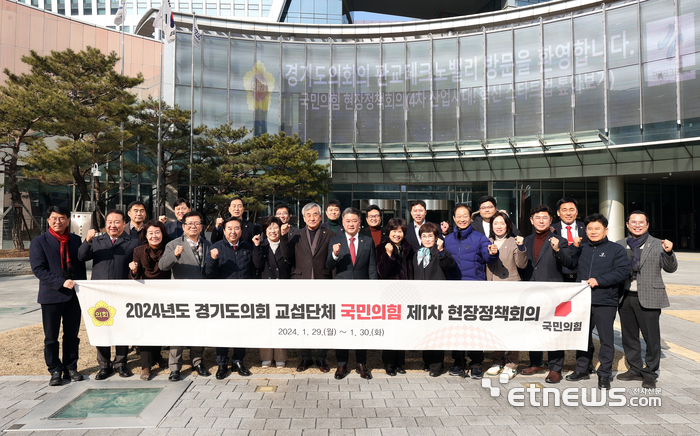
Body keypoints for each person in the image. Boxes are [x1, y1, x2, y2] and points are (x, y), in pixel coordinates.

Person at [559, 213, 630, 389]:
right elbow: (570, 265)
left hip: (605, 300)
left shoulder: (616, 249)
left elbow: (622, 272)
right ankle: (582, 368)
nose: (593, 231)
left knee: (606, 339)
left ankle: (604, 374)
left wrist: (599, 280)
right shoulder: (581, 248)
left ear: (605, 230)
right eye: (590, 228)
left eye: (597, 228)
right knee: (582, 337)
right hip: (582, 300)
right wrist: (574, 248)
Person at [616, 210, 677, 389]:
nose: (637, 225)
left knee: (651, 337)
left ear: (647, 225)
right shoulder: (620, 245)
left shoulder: (659, 244)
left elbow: (671, 268)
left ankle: (650, 372)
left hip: (650, 296)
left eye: (641, 222)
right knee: (629, 336)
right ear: (627, 224)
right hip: (625, 296)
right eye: (633, 222)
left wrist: (669, 252)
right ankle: (634, 368)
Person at [78, 209, 140, 380]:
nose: (113, 225)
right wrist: (87, 240)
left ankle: (121, 363)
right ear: (106, 224)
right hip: (100, 293)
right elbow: (81, 256)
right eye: (109, 222)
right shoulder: (97, 240)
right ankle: (104, 365)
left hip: (123, 292)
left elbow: (138, 263)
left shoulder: (133, 241)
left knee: (122, 328)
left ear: (124, 224)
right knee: (101, 327)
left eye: (117, 222)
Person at [30, 206, 87, 386]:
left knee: (72, 335)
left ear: (68, 220)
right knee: (51, 337)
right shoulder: (39, 242)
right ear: (48, 220)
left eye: (62, 218)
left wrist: (82, 289)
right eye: (54, 218)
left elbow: (81, 267)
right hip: (51, 296)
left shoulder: (76, 240)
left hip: (73, 296)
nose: (58, 222)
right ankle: (54, 369)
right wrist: (60, 282)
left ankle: (71, 367)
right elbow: (39, 269)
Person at [443, 203, 499, 379]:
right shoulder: (447, 240)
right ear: (454, 218)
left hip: (475, 289)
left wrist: (493, 253)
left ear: (470, 218)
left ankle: (476, 362)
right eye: (458, 216)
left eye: (465, 215)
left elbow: (489, 257)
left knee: (475, 326)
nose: (461, 219)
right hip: (453, 290)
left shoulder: (480, 238)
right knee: (456, 327)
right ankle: (458, 361)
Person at [519, 205, 573, 384]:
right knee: (533, 328)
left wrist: (558, 250)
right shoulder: (526, 240)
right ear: (531, 220)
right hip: (531, 292)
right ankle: (536, 362)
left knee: (553, 330)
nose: (541, 220)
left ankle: (555, 368)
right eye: (537, 217)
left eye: (544, 217)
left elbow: (569, 263)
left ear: (551, 220)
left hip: (552, 293)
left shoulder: (560, 240)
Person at [326, 207, 379, 380]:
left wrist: (373, 292)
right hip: (341, 292)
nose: (351, 224)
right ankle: (341, 364)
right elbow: (328, 266)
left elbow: (372, 268)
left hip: (362, 292)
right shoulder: (335, 240)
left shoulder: (367, 241)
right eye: (347, 221)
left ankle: (361, 363)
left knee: (360, 329)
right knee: (341, 329)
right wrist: (334, 255)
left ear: (359, 223)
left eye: (354, 221)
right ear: (343, 223)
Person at [159, 211, 212, 380]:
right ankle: (175, 367)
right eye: (189, 223)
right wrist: (175, 255)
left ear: (201, 226)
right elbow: (162, 266)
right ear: (183, 226)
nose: (193, 226)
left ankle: (197, 362)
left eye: (197, 223)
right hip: (181, 297)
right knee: (178, 332)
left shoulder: (208, 244)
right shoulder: (173, 244)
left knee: (199, 330)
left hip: (201, 296)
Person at [284, 202, 336, 373]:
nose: (312, 218)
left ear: (321, 217)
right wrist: (284, 237)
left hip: (324, 283)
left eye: (315, 214)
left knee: (323, 322)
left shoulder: (330, 234)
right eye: (309, 215)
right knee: (303, 323)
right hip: (301, 284)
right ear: (304, 218)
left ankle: (321, 358)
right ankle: (305, 357)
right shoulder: (295, 235)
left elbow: (333, 261)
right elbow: (287, 256)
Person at [205, 217, 255, 379]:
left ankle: (238, 361)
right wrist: (213, 259)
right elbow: (209, 275)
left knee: (242, 331)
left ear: (241, 230)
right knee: (224, 331)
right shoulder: (215, 247)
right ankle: (222, 364)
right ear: (224, 231)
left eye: (237, 228)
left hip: (244, 298)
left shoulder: (248, 247)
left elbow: (254, 272)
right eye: (229, 228)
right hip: (224, 299)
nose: (233, 232)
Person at [484, 212, 527, 380]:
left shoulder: (514, 241)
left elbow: (522, 264)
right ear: (491, 226)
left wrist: (522, 248)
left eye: (502, 223)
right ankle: (497, 361)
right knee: (496, 327)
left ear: (508, 225)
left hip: (511, 290)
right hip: (493, 290)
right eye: (496, 223)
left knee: (512, 327)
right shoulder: (486, 242)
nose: (499, 226)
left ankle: (511, 363)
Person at [128, 220, 171, 381]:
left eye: (157, 232)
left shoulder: (169, 249)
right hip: (145, 297)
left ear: (163, 234)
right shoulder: (138, 251)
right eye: (150, 233)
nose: (154, 236)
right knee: (145, 329)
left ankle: (157, 356)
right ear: (145, 235)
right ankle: (146, 366)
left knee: (160, 328)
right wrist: (133, 271)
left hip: (164, 295)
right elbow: (136, 277)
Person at [413, 222, 455, 377]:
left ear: (437, 237)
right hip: (421, 299)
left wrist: (441, 250)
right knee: (425, 332)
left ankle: (436, 366)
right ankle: (426, 362)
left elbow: (449, 264)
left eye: (431, 236)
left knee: (437, 332)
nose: (427, 238)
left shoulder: (440, 252)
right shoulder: (417, 253)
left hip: (438, 299)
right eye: (424, 236)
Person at [376, 218, 414, 376]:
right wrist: (389, 255)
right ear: (388, 232)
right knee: (390, 329)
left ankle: (399, 362)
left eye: (400, 231)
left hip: (405, 293)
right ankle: (389, 363)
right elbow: (382, 272)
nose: (397, 234)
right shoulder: (381, 248)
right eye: (394, 231)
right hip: (389, 295)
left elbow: (411, 270)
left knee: (402, 329)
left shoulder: (408, 247)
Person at [252, 216, 291, 368]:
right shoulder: (260, 245)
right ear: (265, 231)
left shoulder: (286, 244)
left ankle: (281, 356)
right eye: (269, 228)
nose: (273, 231)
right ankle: (266, 356)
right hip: (265, 291)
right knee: (266, 324)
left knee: (281, 323)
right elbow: (257, 265)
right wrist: (256, 247)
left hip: (283, 290)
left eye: (275, 227)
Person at [552, 197, 588, 282]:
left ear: (577, 212)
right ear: (558, 213)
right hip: (559, 277)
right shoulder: (552, 230)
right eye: (564, 210)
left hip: (582, 276)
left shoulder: (587, 229)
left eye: (571, 209)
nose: (568, 213)